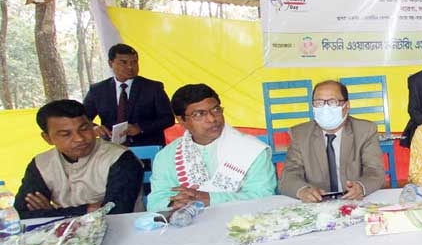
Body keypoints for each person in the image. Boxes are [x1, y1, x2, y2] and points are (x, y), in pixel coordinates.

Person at [147, 84, 276, 211]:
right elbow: (156, 202)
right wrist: (175, 205)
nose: (212, 119)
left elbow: (263, 197)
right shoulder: (167, 156)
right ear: (181, 120)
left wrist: (210, 199)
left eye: (216, 110)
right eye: (199, 114)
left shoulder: (251, 149)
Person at [14, 100, 143, 219]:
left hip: (122, 231)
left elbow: (116, 212)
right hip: (63, 236)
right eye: (66, 134)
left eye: (84, 129)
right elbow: (21, 213)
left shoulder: (119, 158)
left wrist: (52, 214)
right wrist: (87, 209)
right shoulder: (41, 164)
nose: (79, 138)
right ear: (47, 138)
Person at [279, 80, 384, 202]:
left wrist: (361, 187)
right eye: (319, 103)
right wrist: (303, 190)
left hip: (355, 203)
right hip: (317, 206)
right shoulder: (300, 134)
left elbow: (375, 171)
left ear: (347, 106)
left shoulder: (365, 130)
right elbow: (288, 175)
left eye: (332, 102)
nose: (325, 108)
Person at [83, 43, 174, 147]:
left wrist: (140, 128)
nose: (130, 67)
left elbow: (168, 118)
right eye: (123, 62)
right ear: (110, 63)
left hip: (147, 147)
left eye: (134, 62)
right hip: (110, 150)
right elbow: (83, 117)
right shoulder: (97, 90)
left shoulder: (153, 88)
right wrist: (94, 128)